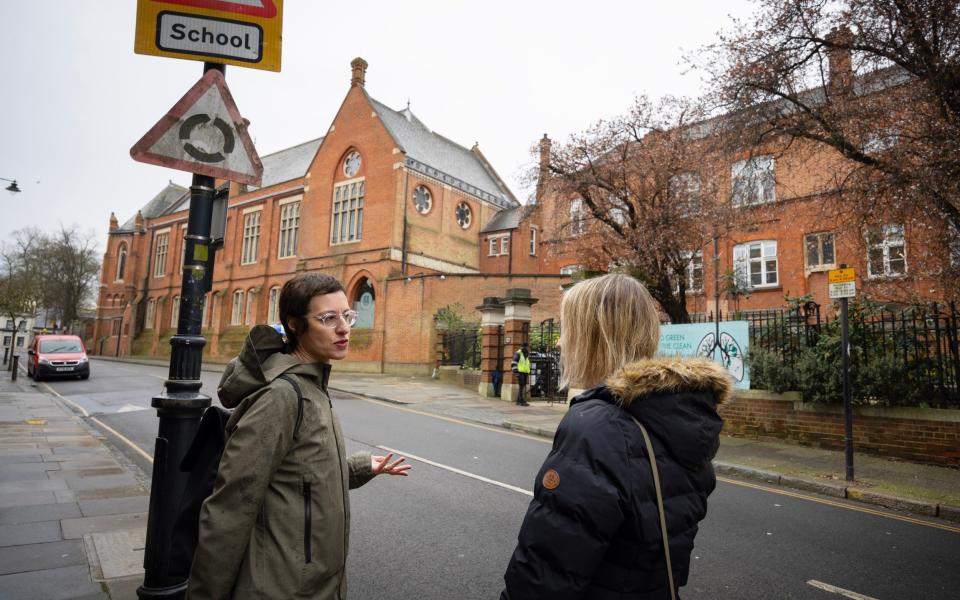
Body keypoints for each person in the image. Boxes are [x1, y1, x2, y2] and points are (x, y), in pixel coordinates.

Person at [501, 274, 730, 600]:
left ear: (595, 336)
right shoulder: (680, 419)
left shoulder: (596, 428)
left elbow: (544, 576)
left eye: (568, 330)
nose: (559, 343)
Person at [188, 273, 411, 600]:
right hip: (281, 588)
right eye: (328, 318)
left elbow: (301, 480)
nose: (344, 328)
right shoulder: (281, 397)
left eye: (347, 316)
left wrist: (362, 466)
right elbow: (230, 509)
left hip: (315, 586)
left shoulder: (313, 386)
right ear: (294, 325)